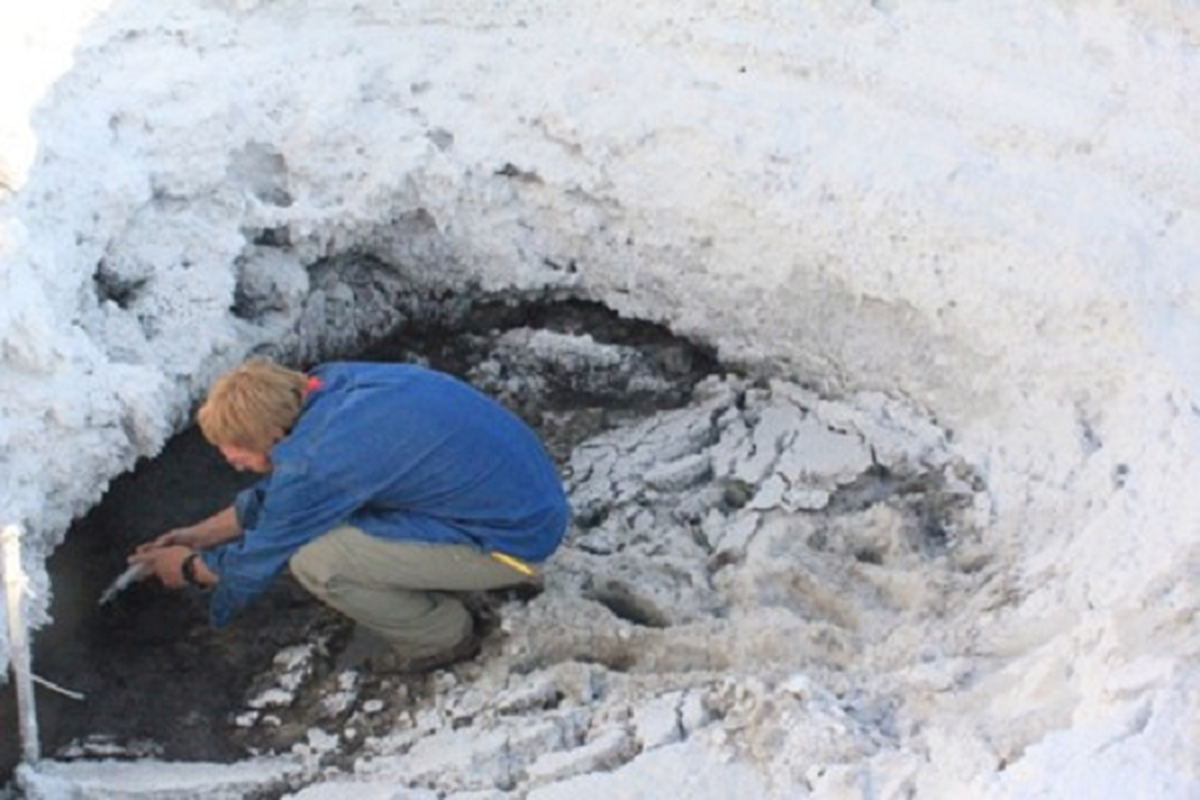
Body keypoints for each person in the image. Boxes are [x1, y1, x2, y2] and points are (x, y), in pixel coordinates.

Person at [132, 359, 569, 672]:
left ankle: (439, 635)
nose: (230, 459)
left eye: (237, 450)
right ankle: (434, 577)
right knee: (327, 519)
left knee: (315, 560)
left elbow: (257, 559)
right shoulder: (332, 385)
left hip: (515, 543)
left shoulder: (321, 458)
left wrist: (188, 569)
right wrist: (199, 534)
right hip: (528, 502)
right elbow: (288, 494)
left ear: (272, 434)